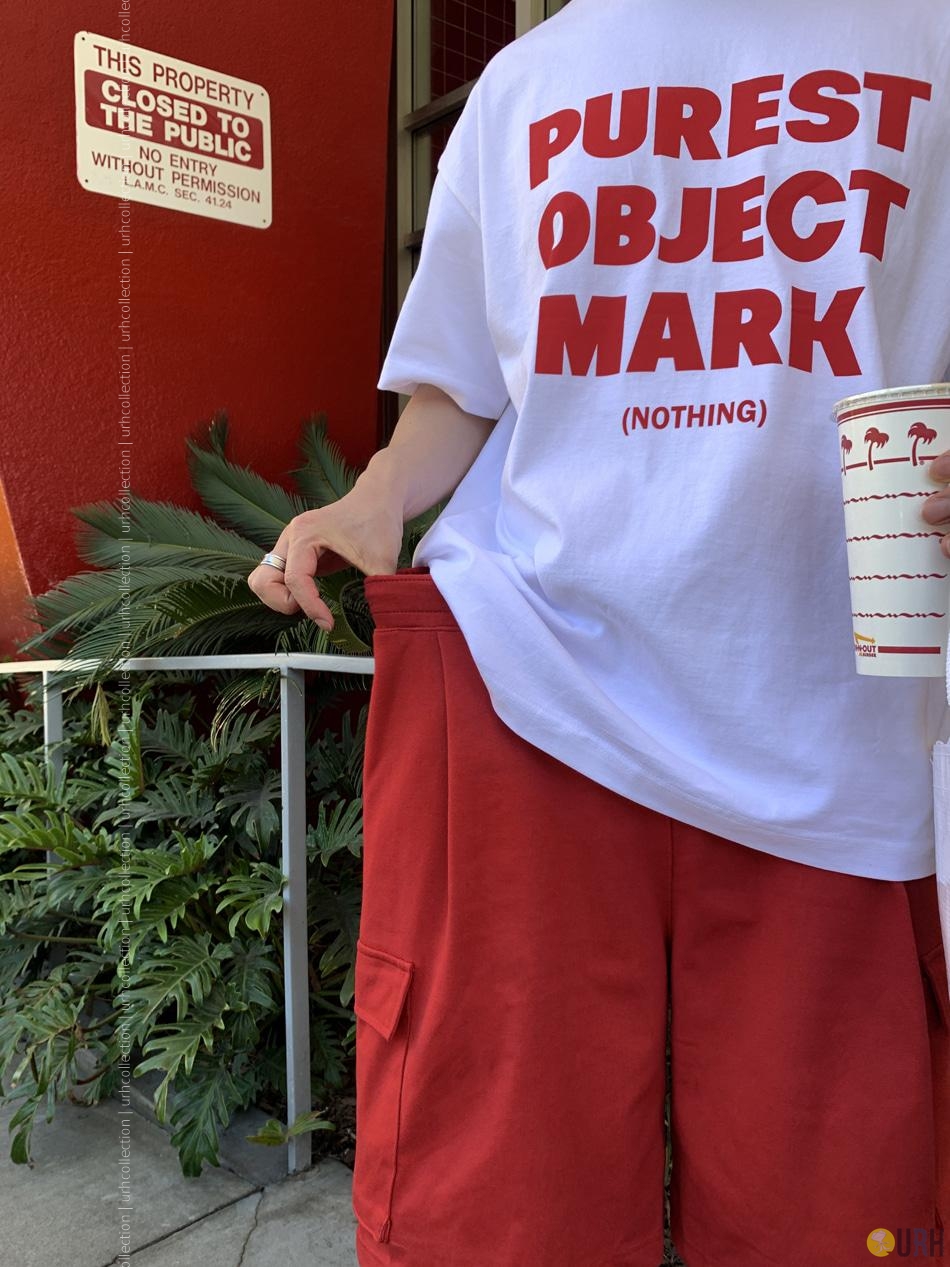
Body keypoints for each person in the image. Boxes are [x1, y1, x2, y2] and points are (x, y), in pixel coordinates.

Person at [248, 1, 950, 1263]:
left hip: (832, 708)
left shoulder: (925, 38)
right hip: (525, 679)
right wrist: (374, 499)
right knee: (498, 1216)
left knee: (838, 1213)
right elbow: (459, 381)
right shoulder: (524, 81)